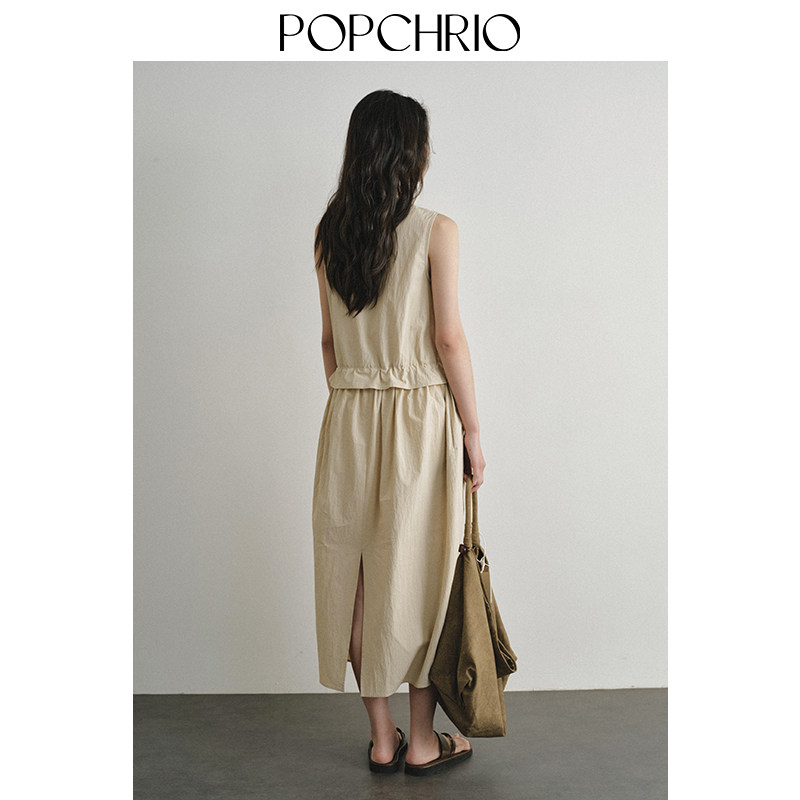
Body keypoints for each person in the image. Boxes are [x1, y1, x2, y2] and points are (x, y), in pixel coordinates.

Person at [311, 89, 486, 776]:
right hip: (418, 419)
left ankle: (381, 737)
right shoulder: (436, 230)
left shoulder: (329, 236)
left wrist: (358, 397)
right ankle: (422, 741)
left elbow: (329, 344)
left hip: (348, 418)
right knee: (419, 580)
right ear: (410, 153)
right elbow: (448, 338)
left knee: (353, 578)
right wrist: (472, 430)